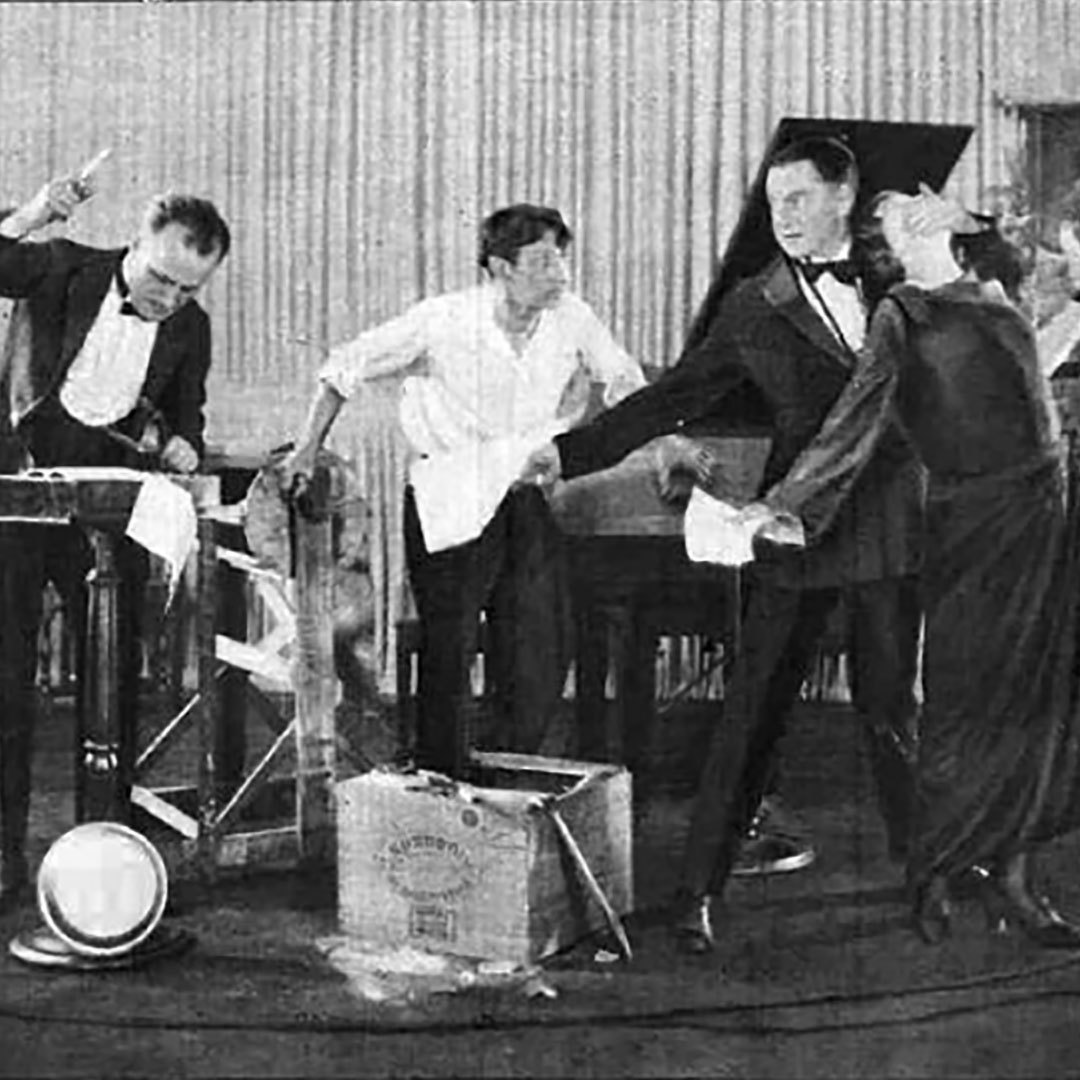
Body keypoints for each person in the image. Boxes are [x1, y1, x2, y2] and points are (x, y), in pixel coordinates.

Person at [524, 135, 932, 953]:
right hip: (794, 530)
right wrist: (569, 454)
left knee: (892, 711)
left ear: (844, 195)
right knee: (753, 713)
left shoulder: (906, 279)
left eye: (800, 199)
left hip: (889, 524)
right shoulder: (756, 303)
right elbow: (671, 398)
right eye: (773, 201)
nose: (782, 216)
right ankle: (695, 895)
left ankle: (928, 878)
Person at [751, 192, 1080, 947]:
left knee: (1031, 702)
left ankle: (1018, 886)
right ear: (888, 244)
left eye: (928, 203)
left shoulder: (999, 291)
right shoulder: (901, 314)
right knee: (961, 703)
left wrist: (971, 219)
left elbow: (1032, 302)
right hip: (969, 525)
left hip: (1042, 514)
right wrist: (787, 503)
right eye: (903, 213)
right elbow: (855, 420)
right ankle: (933, 871)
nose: (922, 212)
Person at [280, 204, 645, 779]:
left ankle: (507, 772)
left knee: (540, 646)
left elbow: (623, 378)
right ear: (501, 267)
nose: (561, 274)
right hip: (448, 496)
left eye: (562, 259)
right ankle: (441, 783)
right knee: (448, 650)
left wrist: (621, 431)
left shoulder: (572, 317)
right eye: (545, 261)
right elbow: (344, 366)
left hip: (524, 495)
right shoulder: (443, 319)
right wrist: (306, 450)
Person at [0, 167, 231, 911]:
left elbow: (185, 410)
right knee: (5, 674)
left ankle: (108, 850)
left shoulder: (189, 326)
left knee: (113, 675)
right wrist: (32, 214)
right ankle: (2, 856)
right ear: (136, 245)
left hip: (106, 507)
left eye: (189, 290)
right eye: (162, 279)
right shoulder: (63, 264)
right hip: (17, 487)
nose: (169, 301)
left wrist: (184, 443)